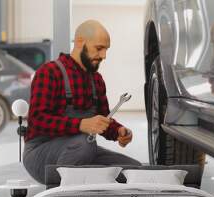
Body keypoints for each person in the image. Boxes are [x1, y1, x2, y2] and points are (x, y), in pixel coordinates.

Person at [23, 20, 141, 184]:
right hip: (41, 154)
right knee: (84, 144)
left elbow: (102, 119)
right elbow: (37, 121)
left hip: (80, 151)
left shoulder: (96, 80)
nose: (104, 56)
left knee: (134, 170)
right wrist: (80, 125)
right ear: (80, 42)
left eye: (106, 50)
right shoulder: (49, 72)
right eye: (99, 48)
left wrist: (118, 131)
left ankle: (87, 191)